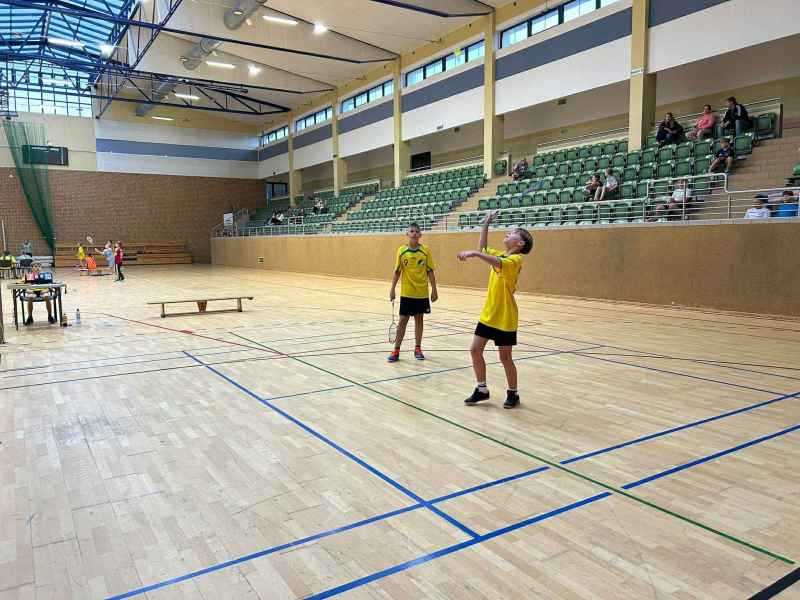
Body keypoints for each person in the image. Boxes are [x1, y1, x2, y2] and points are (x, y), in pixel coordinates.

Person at [457, 210, 533, 409]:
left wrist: (475, 254)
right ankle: (482, 389)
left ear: (520, 243)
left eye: (513, 233)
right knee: (475, 350)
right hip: (489, 313)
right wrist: (486, 223)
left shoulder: (516, 260)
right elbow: (483, 247)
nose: (508, 233)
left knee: (505, 357)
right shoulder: (499, 254)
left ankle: (513, 393)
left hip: (506, 316)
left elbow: (496, 261)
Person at [387, 223, 438, 362]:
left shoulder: (425, 251)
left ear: (420, 235)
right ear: (407, 234)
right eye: (411, 231)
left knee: (419, 320)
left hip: (421, 293)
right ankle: (396, 350)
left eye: (416, 231)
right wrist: (392, 289)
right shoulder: (401, 251)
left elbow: (430, 271)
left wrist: (434, 289)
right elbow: (397, 271)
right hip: (407, 293)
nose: (414, 233)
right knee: (402, 321)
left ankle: (418, 349)